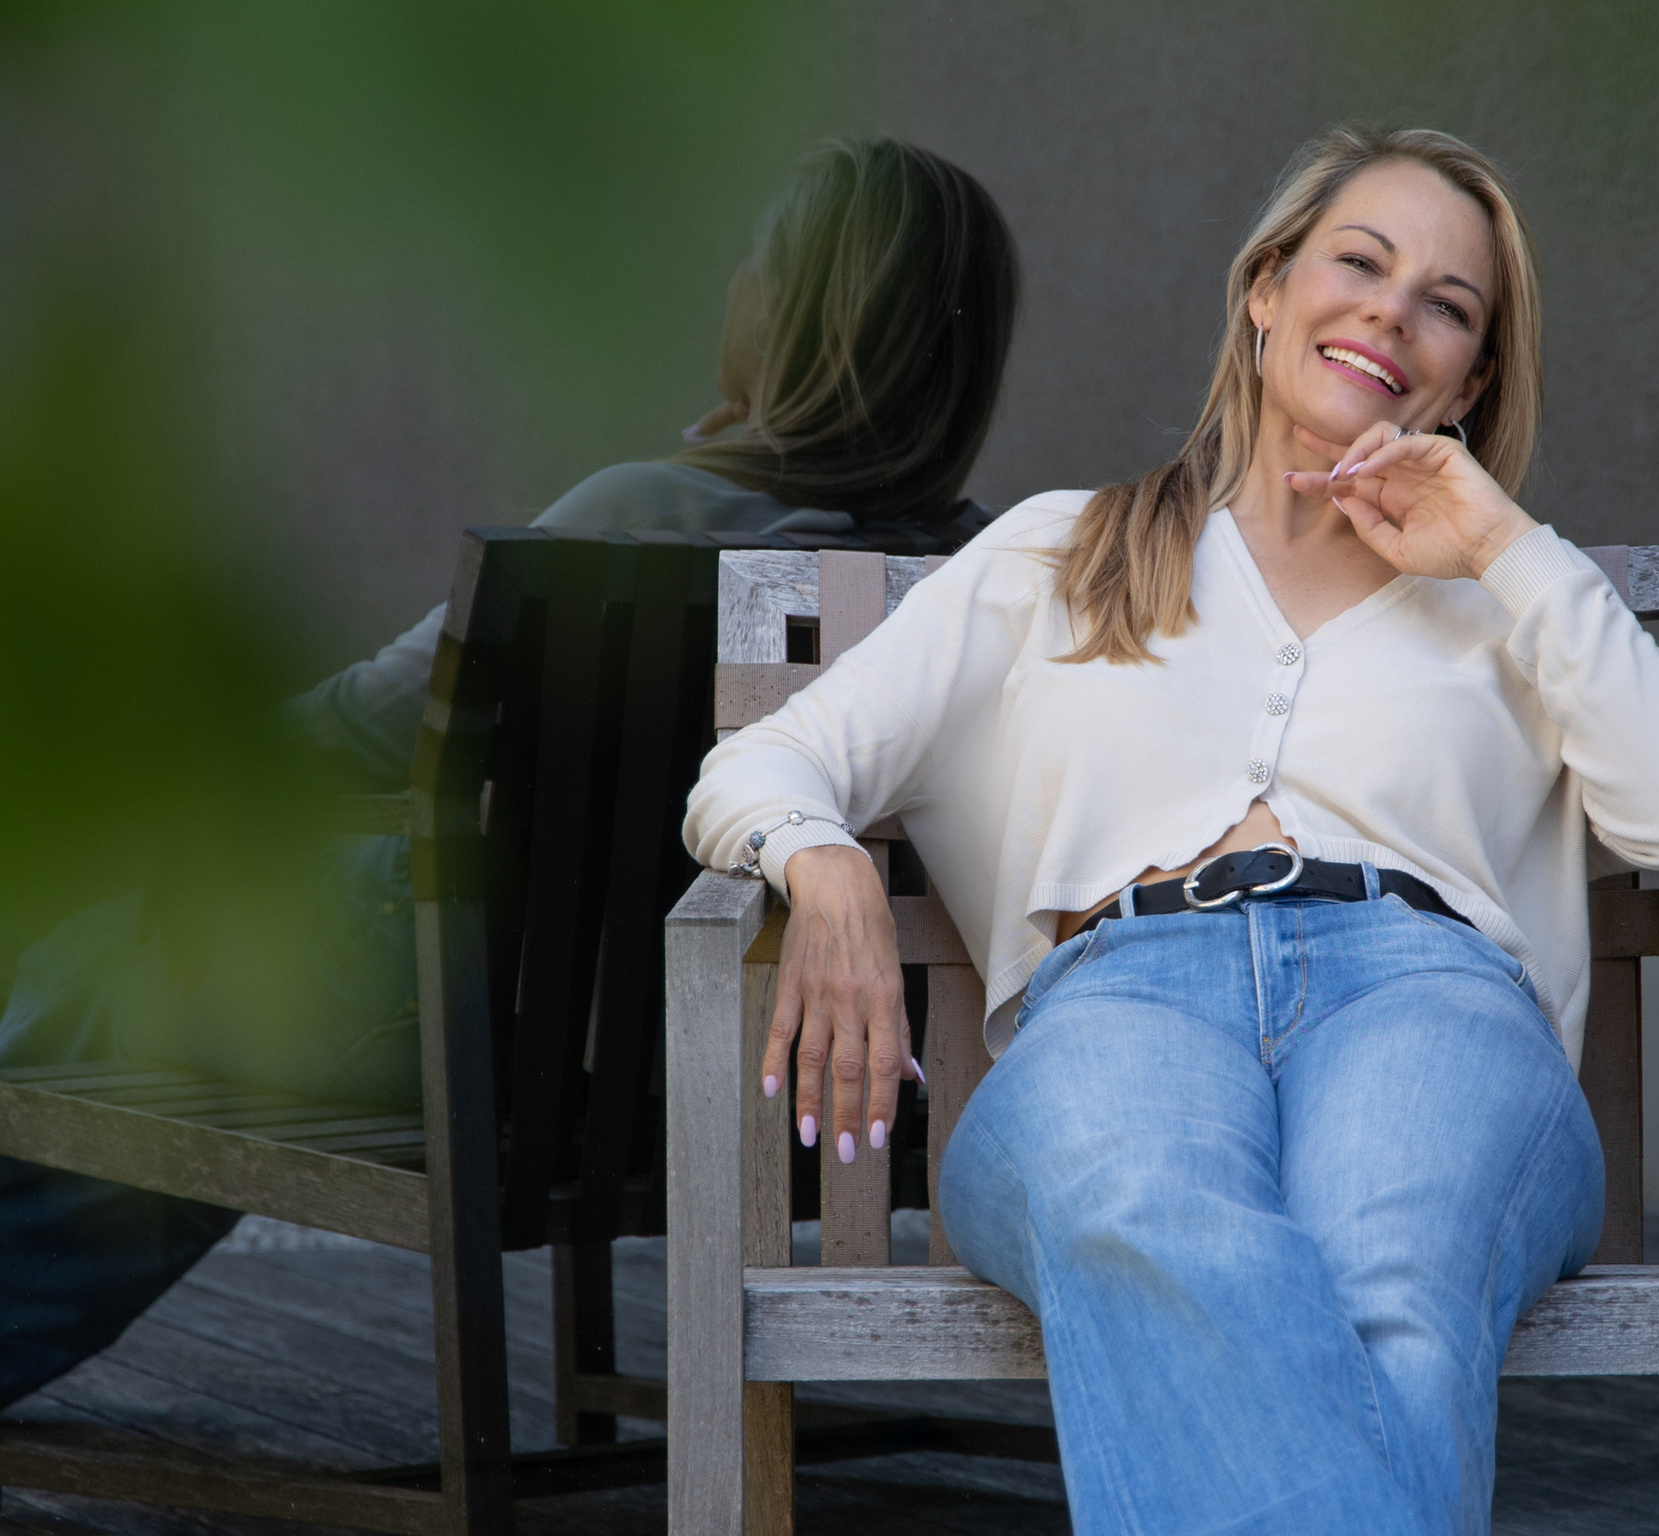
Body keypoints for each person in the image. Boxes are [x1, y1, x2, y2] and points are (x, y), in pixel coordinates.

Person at [685, 125, 1659, 1532]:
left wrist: (1505, 548)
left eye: (1447, 305)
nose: (1392, 311)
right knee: (1143, 1202)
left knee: (1398, 1270)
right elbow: (766, 763)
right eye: (1359, 262)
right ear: (1267, 288)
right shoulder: (1061, 552)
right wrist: (820, 861)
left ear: (1473, 378)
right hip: (1120, 997)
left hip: (1431, 996)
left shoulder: (1516, 607)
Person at [0, 138, 1019, 1410]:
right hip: (746, 1066)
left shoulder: (642, 515)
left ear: (798, 320)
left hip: (496, 1037)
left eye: (757, 261)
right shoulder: (983, 572)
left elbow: (359, 736)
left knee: (100, 959)